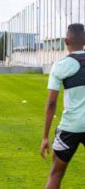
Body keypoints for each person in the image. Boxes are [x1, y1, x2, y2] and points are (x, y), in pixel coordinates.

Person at [41, 23, 85, 189]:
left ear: (66, 41)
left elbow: (52, 103)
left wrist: (45, 137)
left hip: (69, 128)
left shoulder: (60, 66)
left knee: (56, 174)